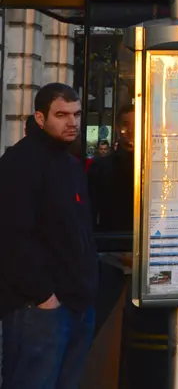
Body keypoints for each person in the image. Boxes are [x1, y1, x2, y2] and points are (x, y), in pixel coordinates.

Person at [0, 83, 99, 389]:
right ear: (40, 119)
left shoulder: (70, 164)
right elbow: (11, 236)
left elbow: (77, 231)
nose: (72, 122)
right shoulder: (20, 163)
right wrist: (44, 296)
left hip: (75, 303)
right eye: (62, 114)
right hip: (38, 308)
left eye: (77, 114)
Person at [89, 105, 135, 232]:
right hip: (111, 240)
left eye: (136, 124)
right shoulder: (100, 167)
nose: (131, 130)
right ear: (117, 128)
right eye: (126, 125)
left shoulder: (152, 169)